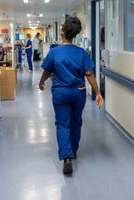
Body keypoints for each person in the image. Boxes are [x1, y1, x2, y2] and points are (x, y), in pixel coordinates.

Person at [39, 17, 104, 176]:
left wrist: (41, 82)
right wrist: (98, 93)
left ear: (62, 33)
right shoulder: (81, 53)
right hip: (78, 92)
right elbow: (89, 74)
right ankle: (73, 151)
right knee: (76, 122)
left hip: (60, 93)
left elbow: (47, 71)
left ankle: (66, 156)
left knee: (62, 123)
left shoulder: (54, 52)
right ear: (75, 34)